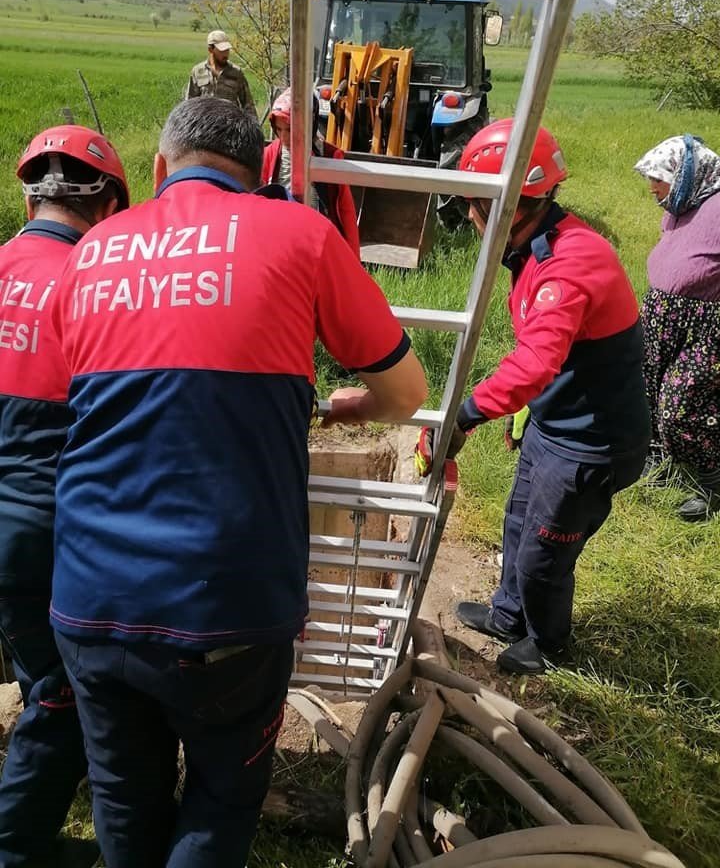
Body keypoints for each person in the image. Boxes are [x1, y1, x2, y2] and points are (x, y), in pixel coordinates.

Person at [49, 98, 427, 868]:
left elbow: (76, 403)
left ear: (157, 171)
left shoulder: (88, 254)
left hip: (90, 598)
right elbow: (408, 391)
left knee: (123, 793)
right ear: (262, 172)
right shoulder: (301, 234)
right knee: (220, 798)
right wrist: (351, 405)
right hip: (229, 609)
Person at [416, 118, 650, 675]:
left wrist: (465, 416)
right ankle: (509, 614)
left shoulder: (567, 265)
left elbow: (536, 360)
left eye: (475, 205)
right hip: (556, 425)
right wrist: (523, 410)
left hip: (591, 443)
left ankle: (549, 645)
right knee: (519, 522)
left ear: (508, 206)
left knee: (545, 554)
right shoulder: (536, 249)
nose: (470, 219)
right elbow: (553, 359)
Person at [0, 125, 129, 868]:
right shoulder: (93, 285)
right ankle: (16, 846)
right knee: (63, 695)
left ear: (29, 196)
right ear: (109, 205)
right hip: (43, 529)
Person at [634, 135, 720, 521]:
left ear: (686, 175)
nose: (653, 186)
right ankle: (662, 460)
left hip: (708, 323)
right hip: (664, 314)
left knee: (680, 405)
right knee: (649, 389)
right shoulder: (680, 203)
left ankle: (712, 481)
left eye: (659, 177)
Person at [262, 87, 360, 257]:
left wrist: (352, 257)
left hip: (318, 242)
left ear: (308, 124)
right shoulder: (270, 155)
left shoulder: (330, 156)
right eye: (279, 130)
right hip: (280, 241)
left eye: (290, 130)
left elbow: (345, 210)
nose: (284, 137)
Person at [185, 29, 257, 119]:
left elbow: (248, 105)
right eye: (222, 50)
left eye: (227, 50)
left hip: (230, 125)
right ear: (210, 49)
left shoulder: (236, 73)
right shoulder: (198, 71)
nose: (226, 54)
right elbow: (189, 103)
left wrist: (254, 128)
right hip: (205, 126)